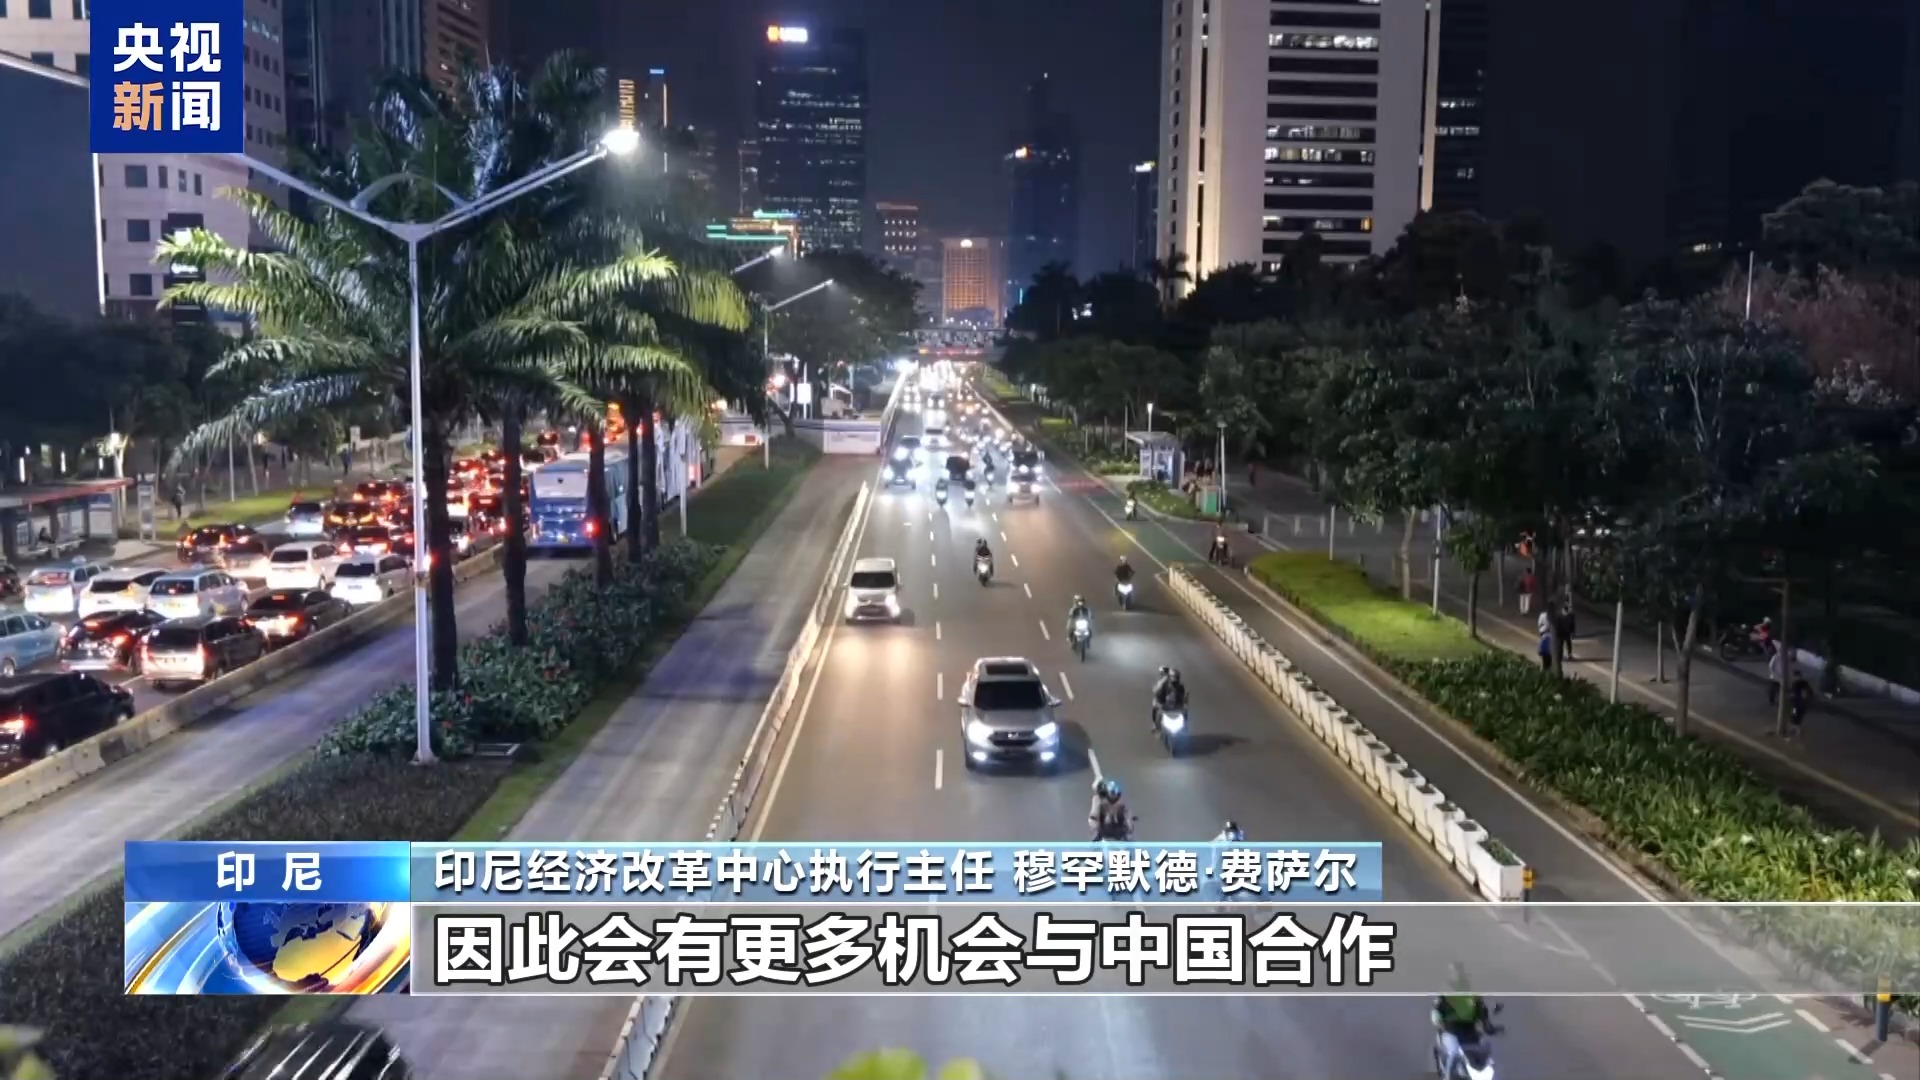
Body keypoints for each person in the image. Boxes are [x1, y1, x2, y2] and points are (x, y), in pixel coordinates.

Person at [1432, 963, 1498, 1072]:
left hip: (1471, 1032)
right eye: (1455, 974)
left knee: (1486, 1058)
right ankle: (1448, 1077)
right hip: (1451, 1032)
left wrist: (1488, 1025)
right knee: (1454, 1054)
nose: (1458, 977)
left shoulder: (1473, 993)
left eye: (1460, 974)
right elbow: (1436, 1009)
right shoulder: (1445, 992)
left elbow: (1482, 1009)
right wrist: (1437, 1019)